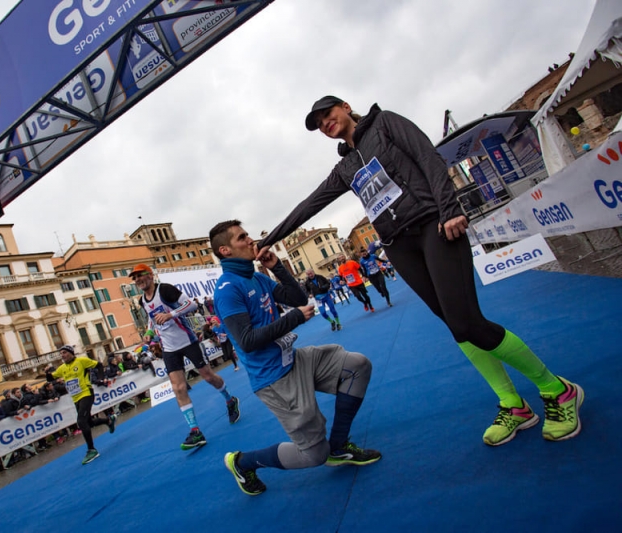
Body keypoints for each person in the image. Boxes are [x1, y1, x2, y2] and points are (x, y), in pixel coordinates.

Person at [257, 95, 583, 446]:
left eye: (327, 114)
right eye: (318, 123)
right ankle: (513, 405)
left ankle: (557, 389)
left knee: (465, 321)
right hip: (399, 245)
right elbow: (310, 204)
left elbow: (427, 156)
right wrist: (267, 241)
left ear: (346, 106)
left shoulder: (385, 123)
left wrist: (450, 208)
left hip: (433, 225)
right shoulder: (346, 167)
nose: (324, 123)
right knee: (457, 328)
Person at [210, 220, 380, 496]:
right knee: (314, 456)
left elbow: (299, 297)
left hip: (294, 359)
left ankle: (338, 446)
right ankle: (242, 463)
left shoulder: (257, 276)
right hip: (274, 379)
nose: (251, 239)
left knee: (357, 366)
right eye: (242, 238)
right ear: (225, 250)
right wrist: (292, 319)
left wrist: (277, 266)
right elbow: (247, 341)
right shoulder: (228, 289)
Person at [129, 263, 240, 450]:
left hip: (187, 341)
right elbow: (150, 318)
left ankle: (230, 400)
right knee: (178, 388)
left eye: (140, 275)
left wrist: (170, 314)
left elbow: (192, 304)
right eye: (134, 278)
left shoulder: (164, 290)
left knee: (208, 376)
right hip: (169, 347)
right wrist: (149, 333)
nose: (137, 280)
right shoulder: (142, 300)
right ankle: (195, 431)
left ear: (149, 275)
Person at [46, 346, 116, 465]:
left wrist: (101, 378)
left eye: (64, 353)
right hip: (75, 398)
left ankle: (91, 450)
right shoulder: (62, 368)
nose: (62, 355)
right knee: (88, 422)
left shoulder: (81, 361)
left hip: (86, 393)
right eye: (61, 353)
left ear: (71, 353)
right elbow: (51, 378)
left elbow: (99, 365)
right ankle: (108, 421)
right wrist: (47, 372)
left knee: (81, 421)